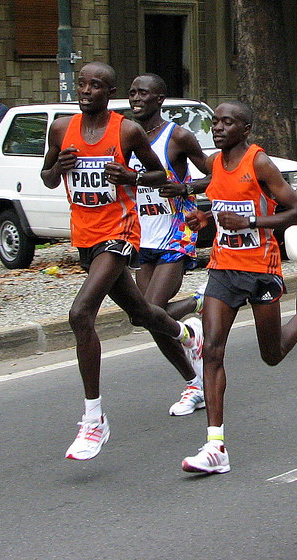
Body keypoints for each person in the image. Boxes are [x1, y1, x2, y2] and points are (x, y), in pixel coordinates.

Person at [41, 62, 199, 461]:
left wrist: (130, 177)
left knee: (80, 314)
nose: (86, 90)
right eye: (82, 84)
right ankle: (186, 335)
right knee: (142, 313)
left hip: (121, 234)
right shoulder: (61, 128)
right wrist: (57, 168)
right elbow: (47, 176)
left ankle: (94, 420)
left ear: (108, 92)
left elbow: (158, 175)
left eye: (96, 85)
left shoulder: (126, 131)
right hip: (85, 237)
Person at [180, 101, 297, 475]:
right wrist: (205, 219)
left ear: (245, 129)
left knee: (272, 354)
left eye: (227, 122)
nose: (218, 128)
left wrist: (251, 222)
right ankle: (215, 446)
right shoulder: (214, 163)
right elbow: (223, 208)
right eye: (215, 122)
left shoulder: (259, 162)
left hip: (260, 269)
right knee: (212, 350)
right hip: (223, 267)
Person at [127, 73, 211, 416]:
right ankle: (194, 376)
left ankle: (194, 311)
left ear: (159, 99)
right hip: (142, 235)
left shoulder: (178, 136)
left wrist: (186, 188)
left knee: (152, 310)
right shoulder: (128, 137)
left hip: (176, 232)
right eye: (132, 93)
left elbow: (215, 176)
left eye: (143, 93)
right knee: (144, 317)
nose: (136, 98)